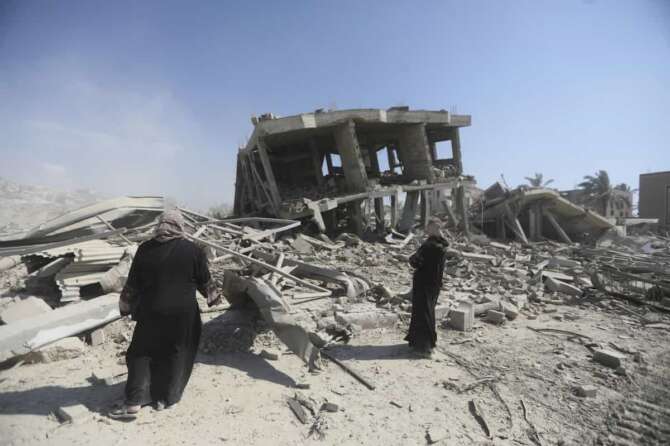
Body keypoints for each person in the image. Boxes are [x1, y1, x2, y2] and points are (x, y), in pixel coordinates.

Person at [110, 209, 219, 420]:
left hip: (151, 312)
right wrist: (213, 297)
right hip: (183, 315)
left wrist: (124, 306)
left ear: (160, 225)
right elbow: (205, 281)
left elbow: (132, 284)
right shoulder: (193, 250)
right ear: (180, 226)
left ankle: (135, 401)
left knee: (141, 352)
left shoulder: (144, 249)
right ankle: (166, 398)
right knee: (177, 353)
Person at [405, 218, 449, 358]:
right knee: (429, 312)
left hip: (423, 283)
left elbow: (415, 261)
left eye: (429, 227)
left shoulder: (429, 245)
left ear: (433, 228)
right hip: (435, 284)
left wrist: (413, 255)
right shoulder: (443, 243)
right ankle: (426, 344)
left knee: (422, 313)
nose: (427, 230)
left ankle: (423, 347)